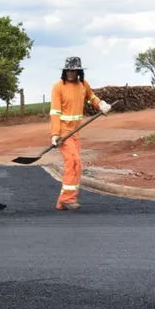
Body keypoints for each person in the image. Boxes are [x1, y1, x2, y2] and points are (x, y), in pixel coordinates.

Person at [50, 56, 112, 210]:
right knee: (73, 161)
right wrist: (55, 134)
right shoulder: (58, 87)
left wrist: (101, 105)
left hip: (75, 132)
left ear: (79, 71)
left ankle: (62, 201)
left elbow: (92, 98)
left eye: (74, 70)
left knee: (77, 165)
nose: (71, 73)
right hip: (64, 133)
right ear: (65, 71)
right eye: (69, 70)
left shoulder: (83, 85)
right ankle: (68, 198)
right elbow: (55, 112)